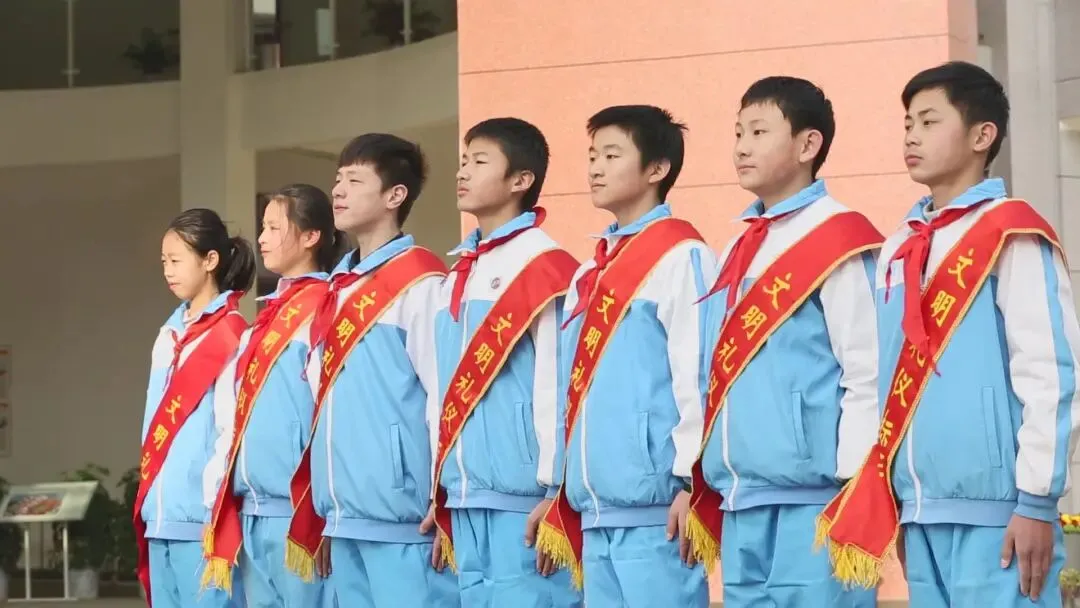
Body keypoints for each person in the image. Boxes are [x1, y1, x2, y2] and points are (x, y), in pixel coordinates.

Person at [818, 60, 1080, 607]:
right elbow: (886, 378)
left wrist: (1036, 500)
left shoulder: (1012, 232)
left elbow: (1049, 373)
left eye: (930, 121)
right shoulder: (901, 245)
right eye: (907, 123)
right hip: (920, 511)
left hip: (1000, 514)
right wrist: (898, 502)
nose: (911, 136)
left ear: (982, 136)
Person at [684, 76, 882, 607]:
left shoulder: (840, 237)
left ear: (807, 144)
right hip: (741, 498)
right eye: (738, 133)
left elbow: (867, 371)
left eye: (758, 131)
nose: (741, 147)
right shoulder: (738, 247)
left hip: (817, 500)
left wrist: (855, 483)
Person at [535, 105, 716, 608]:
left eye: (612, 155)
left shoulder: (682, 256)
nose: (595, 168)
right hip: (594, 510)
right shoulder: (588, 273)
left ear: (657, 168)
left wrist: (690, 480)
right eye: (593, 155)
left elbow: (697, 375)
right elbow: (564, 389)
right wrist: (556, 489)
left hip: (658, 508)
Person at [285, 133, 458, 607]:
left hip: (403, 516)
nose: (338, 191)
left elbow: (444, 394)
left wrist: (440, 494)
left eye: (355, 180)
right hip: (343, 516)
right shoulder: (339, 287)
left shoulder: (421, 283)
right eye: (338, 179)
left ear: (395, 195)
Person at [426, 117, 581, 607]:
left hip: (525, 499)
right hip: (464, 496)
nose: (462, 172)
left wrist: (555, 489)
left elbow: (557, 384)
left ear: (521, 179)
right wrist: (441, 489)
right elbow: (440, 392)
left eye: (479, 161)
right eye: (463, 161)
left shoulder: (545, 265)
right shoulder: (458, 274)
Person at [201, 185, 345, 607]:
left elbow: (330, 413)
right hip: (253, 508)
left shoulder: (326, 307)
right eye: (262, 228)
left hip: (299, 513)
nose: (261, 238)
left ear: (311, 236)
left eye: (273, 228)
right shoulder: (267, 316)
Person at [134, 208, 255, 608]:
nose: (168, 271)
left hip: (202, 522)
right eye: (163, 262)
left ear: (210, 260)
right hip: (160, 518)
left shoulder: (232, 334)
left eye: (176, 260)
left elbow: (229, 431)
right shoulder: (167, 335)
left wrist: (211, 507)